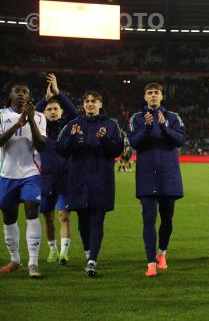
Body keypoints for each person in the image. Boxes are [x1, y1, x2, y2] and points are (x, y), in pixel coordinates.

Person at [56, 91, 124, 277]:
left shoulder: (111, 125)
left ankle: (92, 260)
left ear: (100, 104)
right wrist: (71, 138)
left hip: (101, 181)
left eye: (94, 101)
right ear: (83, 105)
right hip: (78, 181)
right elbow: (61, 149)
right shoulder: (73, 125)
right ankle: (88, 254)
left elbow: (118, 149)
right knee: (83, 222)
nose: (89, 104)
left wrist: (104, 139)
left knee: (97, 221)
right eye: (86, 101)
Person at [128, 83, 185, 277]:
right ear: (145, 97)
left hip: (168, 175)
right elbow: (134, 143)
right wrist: (147, 128)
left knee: (167, 218)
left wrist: (163, 127)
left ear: (162, 96)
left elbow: (180, 140)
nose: (153, 96)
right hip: (146, 176)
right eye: (150, 93)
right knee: (149, 220)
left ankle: (162, 253)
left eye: (156, 93)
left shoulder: (173, 117)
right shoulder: (137, 118)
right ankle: (151, 261)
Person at [0, 83, 46, 277]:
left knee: (31, 209)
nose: (21, 94)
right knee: (9, 218)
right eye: (17, 91)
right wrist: (18, 124)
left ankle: (33, 263)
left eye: (25, 92)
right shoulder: (2, 115)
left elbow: (41, 146)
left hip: (30, 173)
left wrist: (30, 121)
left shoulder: (39, 116)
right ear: (11, 95)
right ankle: (15, 259)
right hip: (7, 174)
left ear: (29, 96)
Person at [35, 73, 77, 265]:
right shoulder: (40, 130)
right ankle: (52, 250)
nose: (52, 112)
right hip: (45, 180)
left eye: (55, 109)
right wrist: (45, 98)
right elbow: (33, 113)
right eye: (49, 109)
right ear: (44, 113)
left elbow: (74, 112)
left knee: (64, 216)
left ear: (61, 112)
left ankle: (64, 253)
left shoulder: (67, 127)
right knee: (48, 217)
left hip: (65, 180)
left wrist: (58, 93)